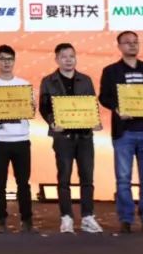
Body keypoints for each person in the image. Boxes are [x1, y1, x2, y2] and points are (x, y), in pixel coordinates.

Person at [99, 31, 143, 234]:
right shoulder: (111, 71)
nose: (132, 45)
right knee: (123, 179)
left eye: (135, 42)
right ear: (119, 46)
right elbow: (104, 97)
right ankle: (126, 219)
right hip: (124, 132)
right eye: (127, 42)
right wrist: (117, 109)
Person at [38, 42, 103, 234]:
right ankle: (66, 217)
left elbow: (92, 105)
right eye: (64, 57)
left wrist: (95, 121)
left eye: (72, 56)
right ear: (57, 59)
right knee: (64, 178)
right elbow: (44, 107)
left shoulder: (86, 80)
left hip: (84, 136)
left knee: (87, 177)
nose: (68, 60)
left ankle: (88, 217)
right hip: (62, 136)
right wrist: (52, 122)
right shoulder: (48, 81)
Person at [0, 44, 35, 233]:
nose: (6, 63)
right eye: (3, 59)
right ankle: (1, 220)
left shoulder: (24, 85)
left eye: (10, 59)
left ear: (14, 61)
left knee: (23, 183)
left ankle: (27, 221)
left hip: (21, 139)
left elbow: (31, 111)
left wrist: (31, 107)